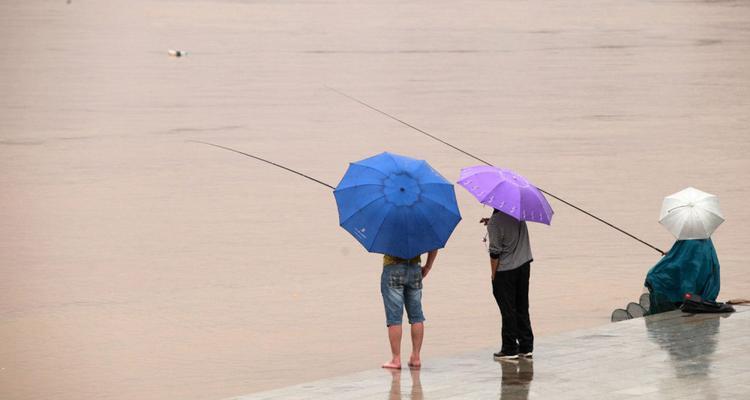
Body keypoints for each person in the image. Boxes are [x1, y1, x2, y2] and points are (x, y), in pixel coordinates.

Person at [482, 209, 534, 361]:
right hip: (524, 265)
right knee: (522, 306)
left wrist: (493, 275)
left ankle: (509, 348)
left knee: (508, 309)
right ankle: (526, 346)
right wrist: (490, 223)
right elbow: (509, 229)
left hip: (506, 270)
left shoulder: (496, 222)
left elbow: (495, 252)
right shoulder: (518, 213)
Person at [380, 249, 438, 369]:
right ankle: (416, 357)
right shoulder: (421, 229)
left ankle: (396, 359)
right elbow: (434, 246)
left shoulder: (389, 229)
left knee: (394, 318)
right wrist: (428, 266)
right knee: (416, 316)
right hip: (415, 268)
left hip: (392, 266)